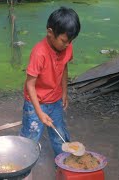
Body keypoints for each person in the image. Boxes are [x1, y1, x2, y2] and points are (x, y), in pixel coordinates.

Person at [19, 6, 81, 158]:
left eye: (71, 41)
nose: (67, 45)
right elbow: (30, 85)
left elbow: (64, 67)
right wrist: (39, 113)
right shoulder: (39, 53)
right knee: (31, 136)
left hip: (56, 101)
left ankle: (63, 164)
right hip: (35, 104)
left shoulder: (68, 46)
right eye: (64, 41)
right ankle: (23, 164)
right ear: (50, 32)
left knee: (59, 134)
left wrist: (64, 93)